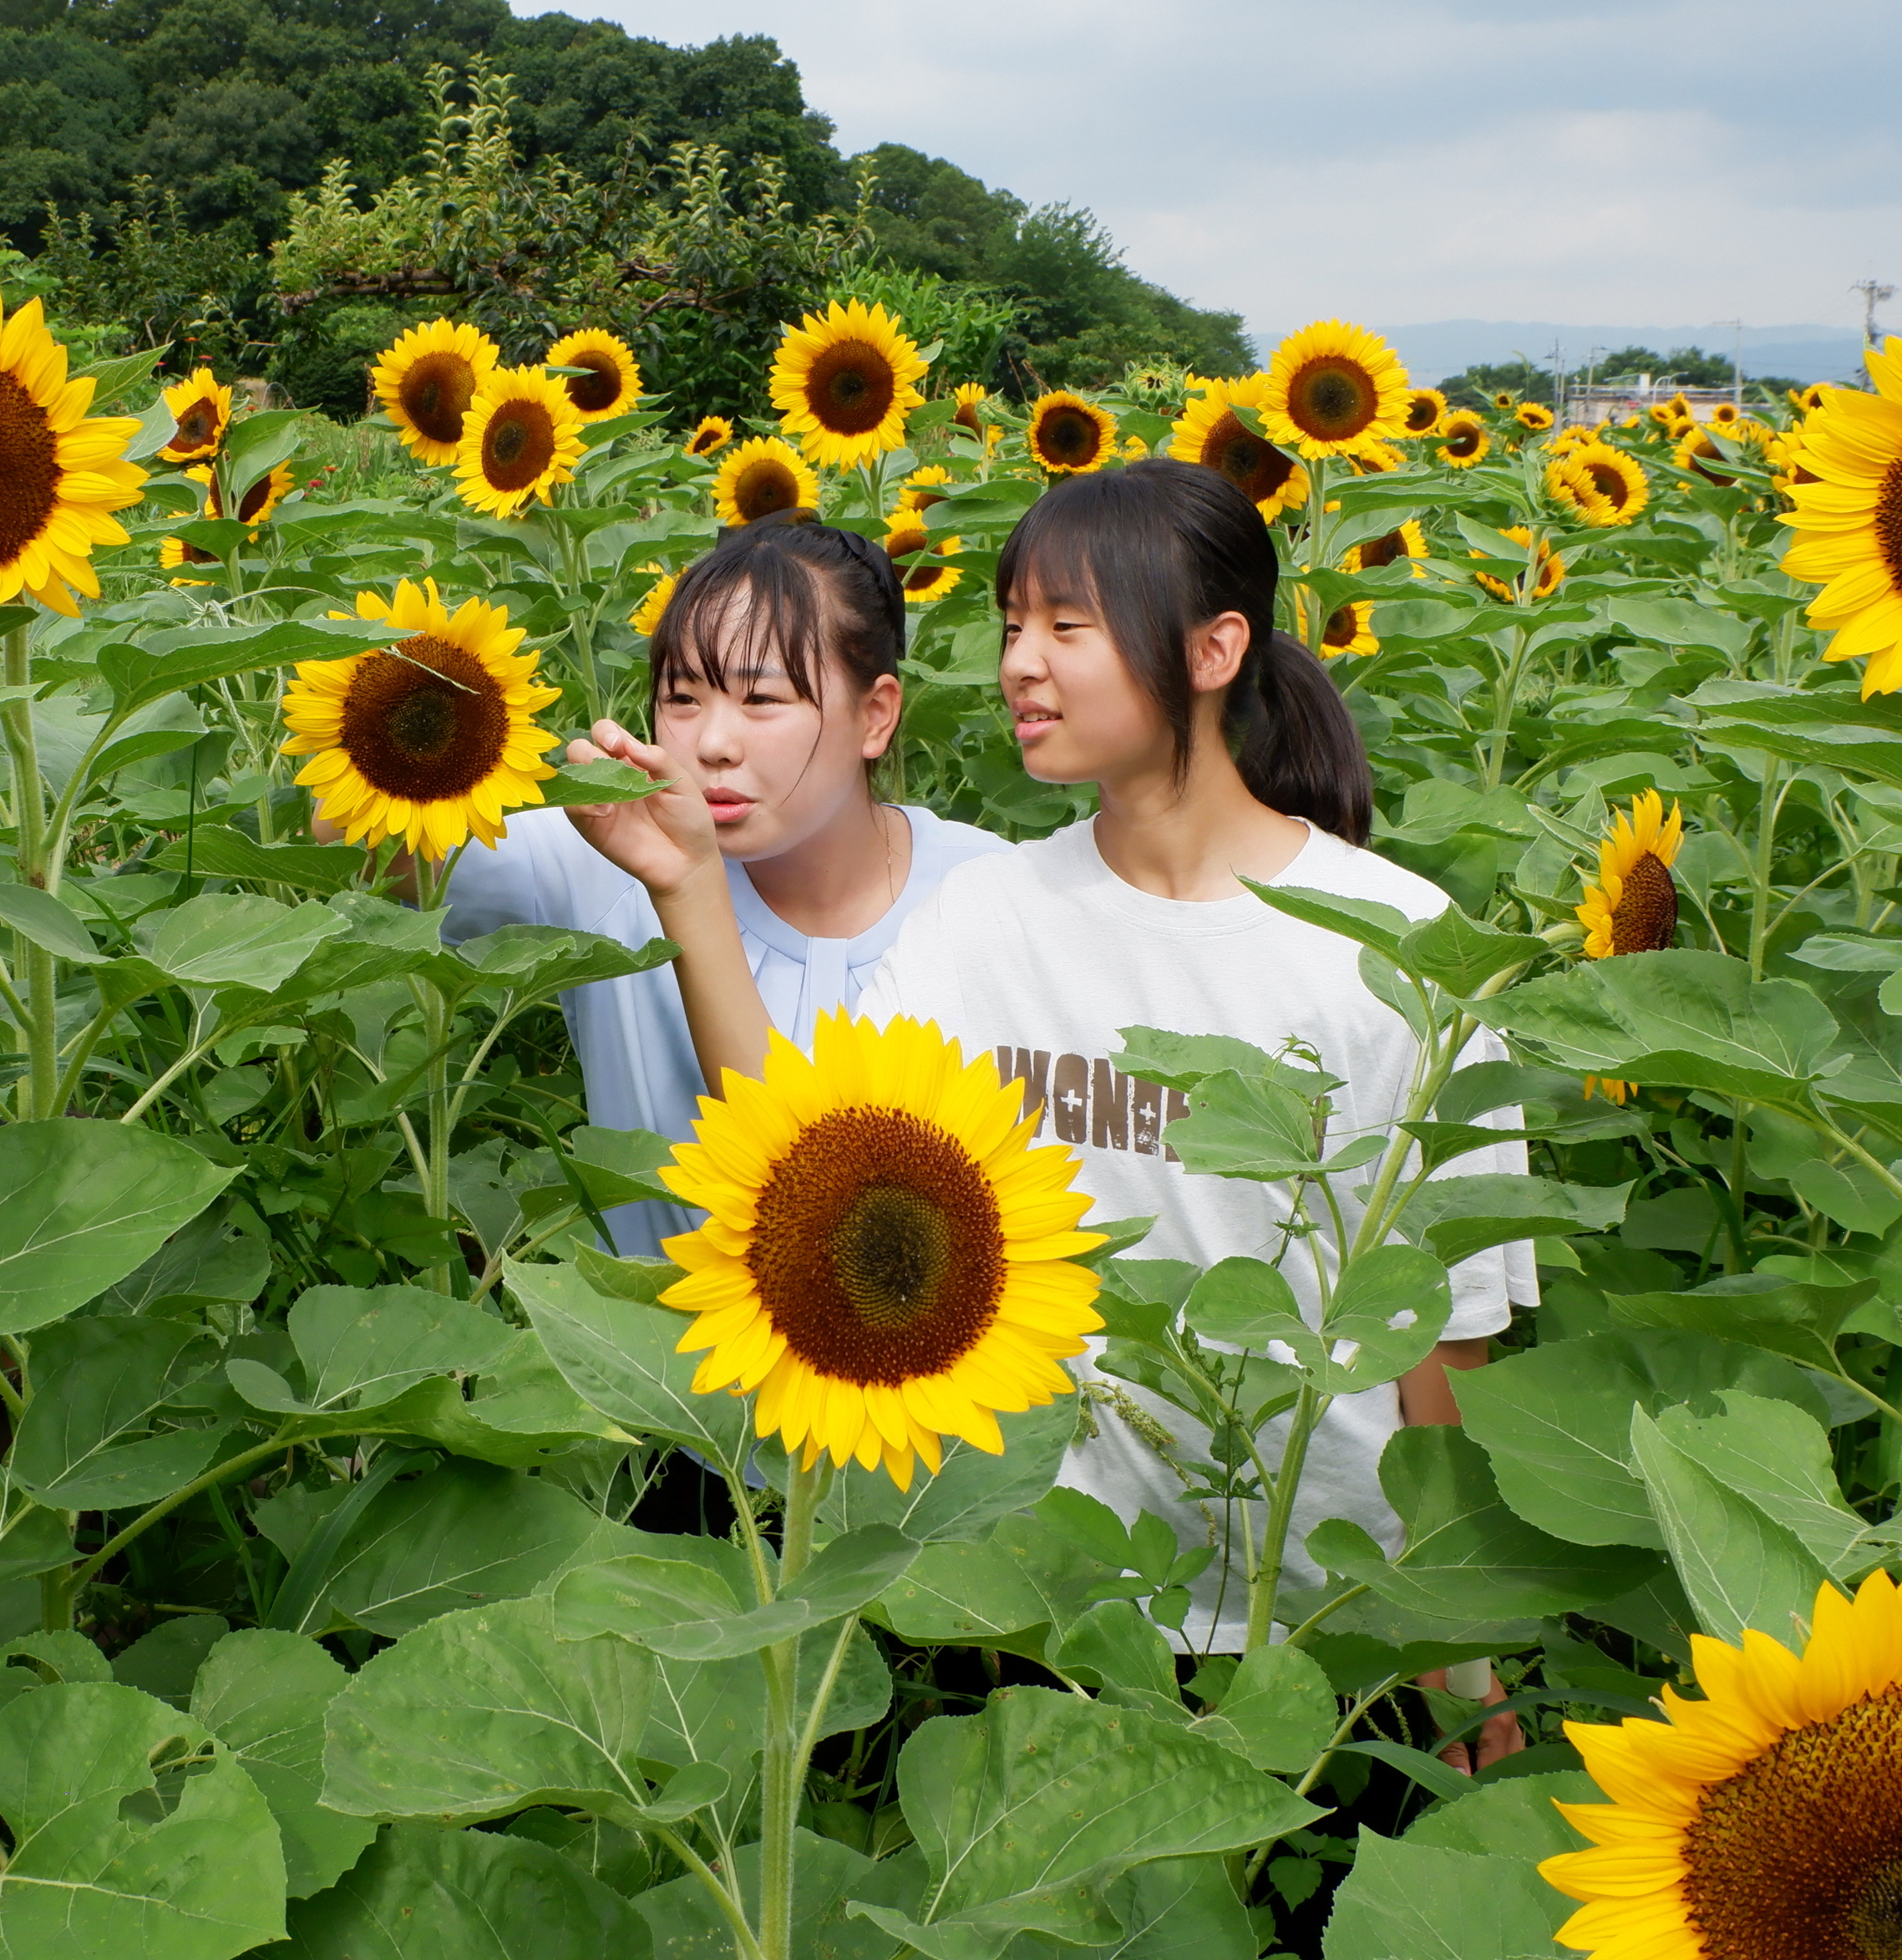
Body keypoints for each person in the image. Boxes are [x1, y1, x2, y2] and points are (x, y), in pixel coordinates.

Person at [572, 461, 1533, 1754]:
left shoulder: (1396, 945)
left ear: (1212, 649)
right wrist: (689, 884)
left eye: (1067, 625)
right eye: (1012, 621)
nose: (1020, 662)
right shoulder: (988, 916)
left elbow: (1442, 1330)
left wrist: (1456, 1652)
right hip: (1050, 1613)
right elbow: (802, 1152)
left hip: (1328, 1621)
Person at [445, 513, 1007, 1256]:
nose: (711, 743)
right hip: (633, 1333)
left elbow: (825, 1221)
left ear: (875, 716)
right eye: (682, 698)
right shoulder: (611, 853)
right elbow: (360, 834)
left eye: (761, 699)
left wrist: (689, 885)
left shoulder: (987, 901)